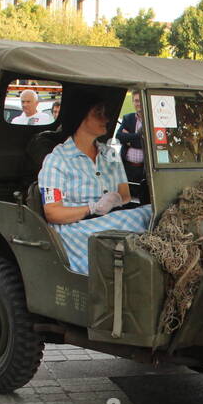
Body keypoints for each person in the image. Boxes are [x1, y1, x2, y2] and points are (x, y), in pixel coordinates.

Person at [38, 98, 153, 274]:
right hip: (76, 230)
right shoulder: (57, 160)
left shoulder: (109, 154)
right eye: (98, 114)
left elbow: (125, 195)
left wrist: (115, 200)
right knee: (144, 217)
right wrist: (92, 208)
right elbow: (53, 212)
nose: (106, 119)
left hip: (108, 222)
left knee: (152, 212)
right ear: (80, 118)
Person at [117, 91, 146, 190]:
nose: (138, 104)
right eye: (136, 101)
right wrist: (138, 136)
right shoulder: (128, 118)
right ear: (133, 102)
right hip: (127, 167)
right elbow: (119, 136)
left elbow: (149, 143)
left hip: (144, 169)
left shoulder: (151, 120)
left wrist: (129, 139)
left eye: (140, 101)